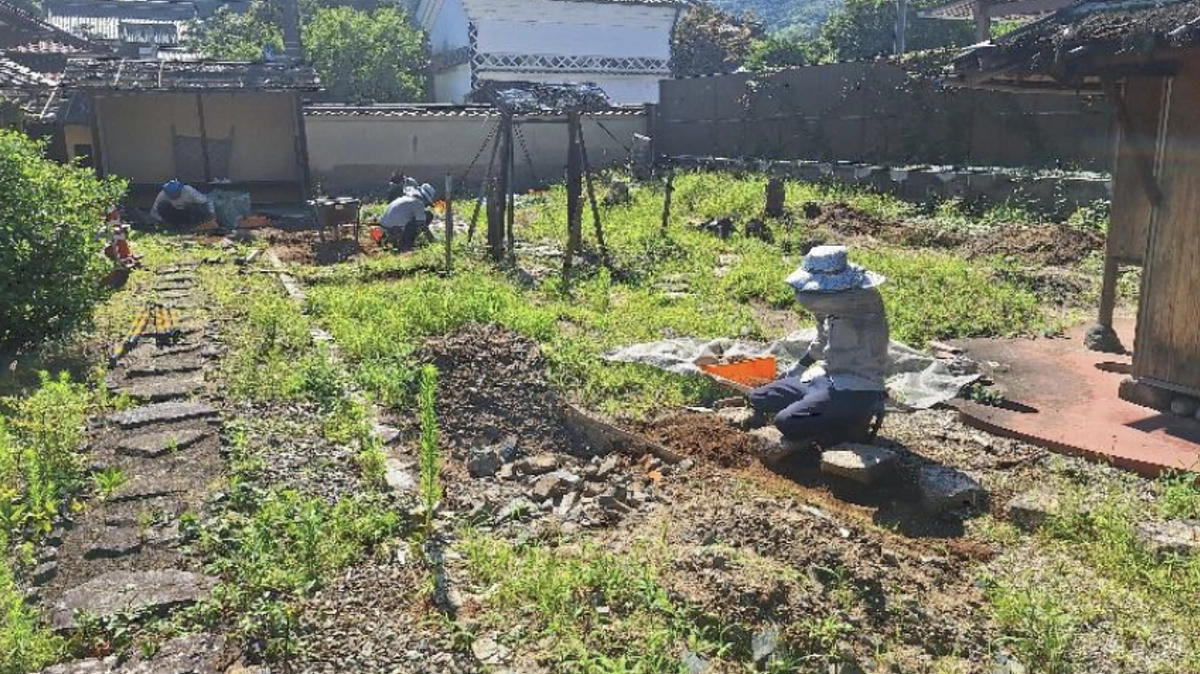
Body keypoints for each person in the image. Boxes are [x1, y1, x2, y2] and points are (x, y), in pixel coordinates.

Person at [748, 245, 889, 449]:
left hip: (856, 387)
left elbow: (806, 298)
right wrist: (800, 367)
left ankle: (848, 424)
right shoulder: (829, 300)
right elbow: (823, 336)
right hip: (825, 378)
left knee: (787, 422)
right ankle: (820, 410)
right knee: (759, 397)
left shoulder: (862, 299)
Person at [380, 182, 436, 251]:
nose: (427, 206)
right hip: (394, 228)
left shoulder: (407, 198)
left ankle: (394, 241)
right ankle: (405, 245)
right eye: (427, 203)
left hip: (384, 226)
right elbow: (422, 225)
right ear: (425, 198)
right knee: (428, 215)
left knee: (416, 219)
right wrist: (432, 239)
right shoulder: (418, 203)